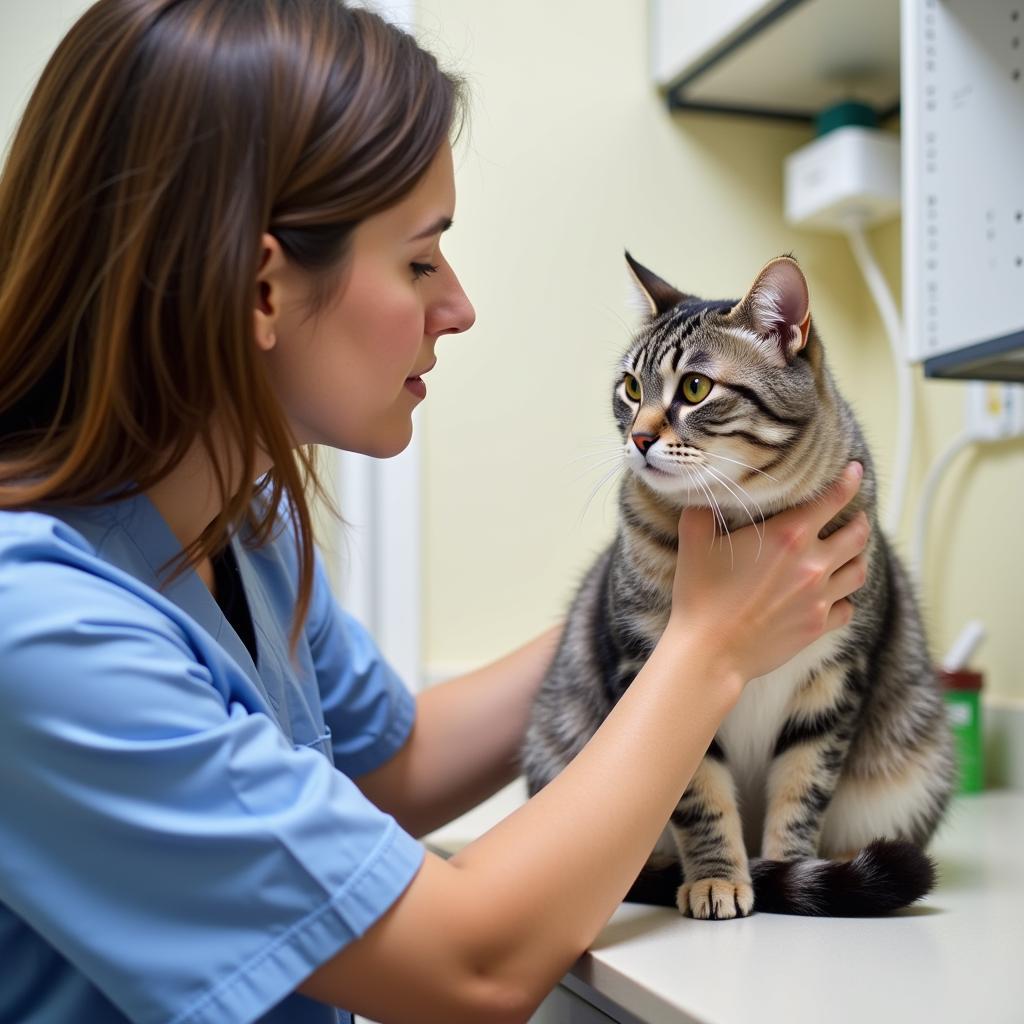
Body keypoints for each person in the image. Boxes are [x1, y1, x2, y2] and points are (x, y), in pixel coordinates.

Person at [0, 2, 870, 1022]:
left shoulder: (241, 527)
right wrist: (709, 645)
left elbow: (392, 766)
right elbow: (470, 967)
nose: (457, 306)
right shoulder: (38, 630)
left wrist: (663, 605)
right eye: (421, 258)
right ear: (261, 287)